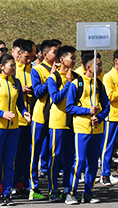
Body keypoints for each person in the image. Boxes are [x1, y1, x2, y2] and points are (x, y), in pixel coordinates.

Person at [0, 54, 31, 206]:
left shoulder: (16, 82)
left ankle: (7, 192)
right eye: (11, 65)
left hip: (13, 128)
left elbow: (20, 104)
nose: (14, 68)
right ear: (1, 66)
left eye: (14, 65)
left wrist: (24, 112)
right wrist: (2, 113)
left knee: (10, 162)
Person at [65, 51, 109, 205]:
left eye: (101, 64)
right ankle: (71, 193)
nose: (101, 67)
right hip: (82, 129)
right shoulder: (77, 84)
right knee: (80, 161)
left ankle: (88, 193)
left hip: (97, 129)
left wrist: (100, 117)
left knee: (93, 163)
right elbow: (69, 107)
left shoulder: (99, 84)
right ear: (88, 67)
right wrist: (87, 111)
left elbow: (106, 106)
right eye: (98, 65)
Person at [28, 39, 60, 200]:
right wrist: (52, 77)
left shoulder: (62, 70)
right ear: (45, 54)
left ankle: (53, 189)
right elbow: (38, 92)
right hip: (40, 116)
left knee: (53, 153)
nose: (58, 55)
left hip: (56, 118)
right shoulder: (38, 70)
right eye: (55, 52)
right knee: (35, 152)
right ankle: (33, 188)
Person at [46, 46, 77, 201]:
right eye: (72, 57)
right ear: (62, 59)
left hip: (72, 123)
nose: (74, 60)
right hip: (57, 123)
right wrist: (68, 84)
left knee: (70, 158)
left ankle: (67, 188)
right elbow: (56, 98)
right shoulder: (54, 78)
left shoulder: (76, 77)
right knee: (55, 157)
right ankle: (53, 189)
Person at [101, 49, 118, 186]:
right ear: (116, 61)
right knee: (109, 146)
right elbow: (110, 96)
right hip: (112, 117)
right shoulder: (108, 77)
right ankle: (105, 174)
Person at [13, 39, 36, 196]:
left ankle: (26, 184)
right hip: (16, 120)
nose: (29, 60)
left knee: (28, 155)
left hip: (32, 119)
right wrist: (19, 89)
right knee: (13, 155)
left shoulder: (34, 70)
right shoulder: (13, 70)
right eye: (27, 57)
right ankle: (13, 183)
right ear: (19, 53)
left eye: (32, 57)